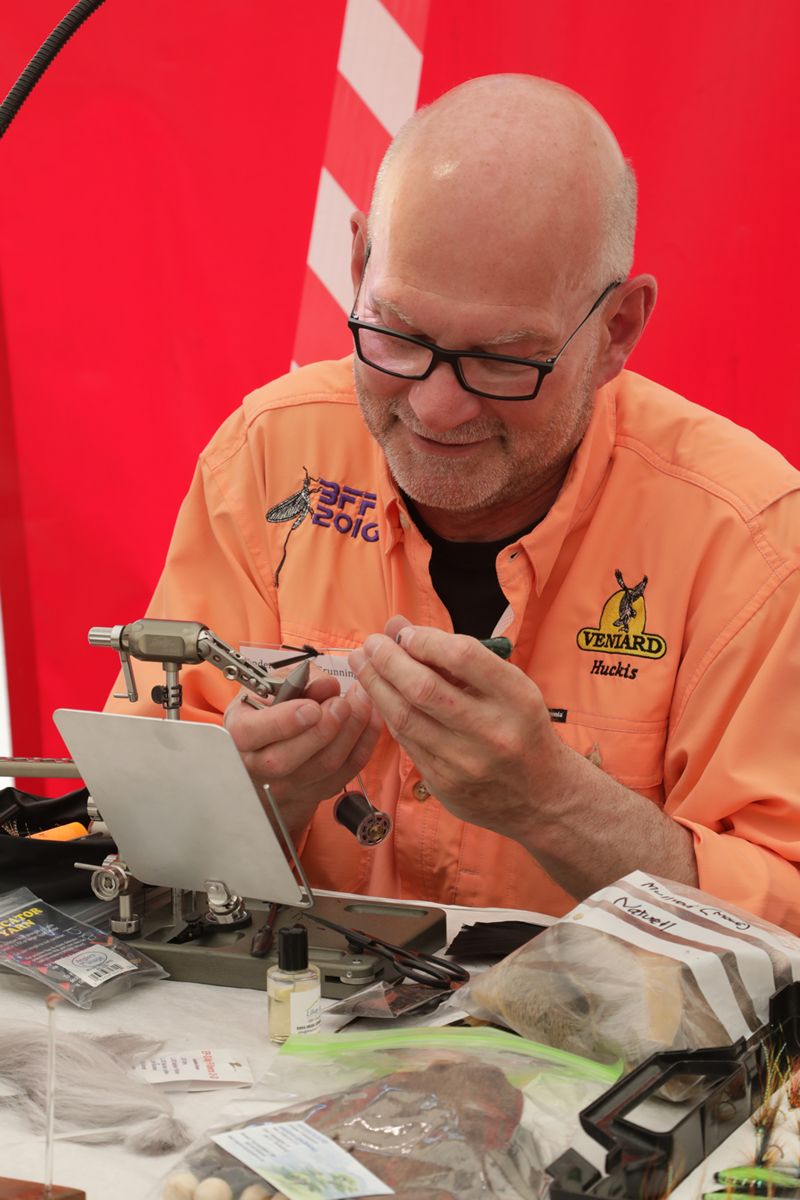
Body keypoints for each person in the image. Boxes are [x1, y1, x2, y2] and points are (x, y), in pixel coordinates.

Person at [107, 75, 800, 929]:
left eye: (504, 360)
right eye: (397, 335)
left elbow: (787, 920)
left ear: (617, 329)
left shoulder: (750, 542)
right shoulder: (268, 456)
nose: (435, 409)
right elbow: (133, 855)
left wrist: (554, 803)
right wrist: (255, 799)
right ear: (358, 266)